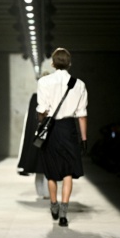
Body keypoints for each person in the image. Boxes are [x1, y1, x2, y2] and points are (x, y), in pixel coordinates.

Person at [36, 47, 88, 227]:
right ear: (69, 63)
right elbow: (82, 115)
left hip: (51, 129)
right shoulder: (79, 84)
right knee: (67, 172)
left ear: (52, 62)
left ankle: (54, 205)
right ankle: (64, 214)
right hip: (69, 129)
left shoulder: (44, 82)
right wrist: (84, 139)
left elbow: (42, 110)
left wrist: (41, 124)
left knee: (51, 171)